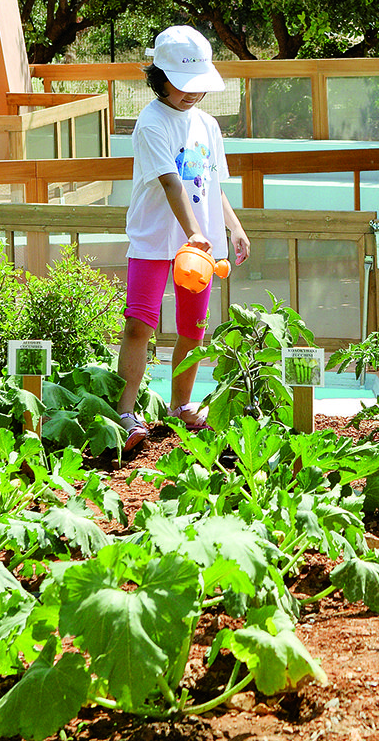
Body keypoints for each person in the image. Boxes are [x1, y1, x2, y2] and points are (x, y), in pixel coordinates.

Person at [115, 26, 251, 453]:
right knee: (140, 325)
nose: (192, 94)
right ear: (159, 77)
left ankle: (180, 405)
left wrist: (232, 225)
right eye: (182, 84)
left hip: (201, 248)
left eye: (198, 86)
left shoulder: (208, 125)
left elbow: (211, 183)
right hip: (157, 239)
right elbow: (173, 184)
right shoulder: (152, 122)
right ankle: (124, 412)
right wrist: (193, 232)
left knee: (193, 329)